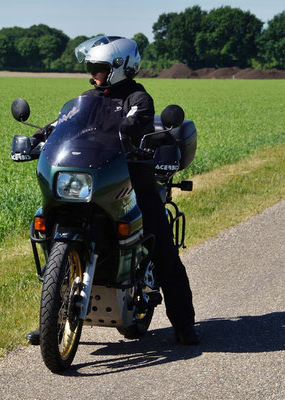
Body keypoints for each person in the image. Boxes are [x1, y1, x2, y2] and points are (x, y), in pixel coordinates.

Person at [25, 36, 200, 346]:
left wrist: (127, 136)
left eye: (98, 68)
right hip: (95, 178)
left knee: (163, 251)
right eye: (91, 67)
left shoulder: (138, 99)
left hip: (132, 180)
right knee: (49, 228)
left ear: (119, 67)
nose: (92, 73)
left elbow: (133, 126)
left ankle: (184, 325)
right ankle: (52, 317)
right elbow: (61, 124)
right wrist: (35, 139)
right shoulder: (87, 99)